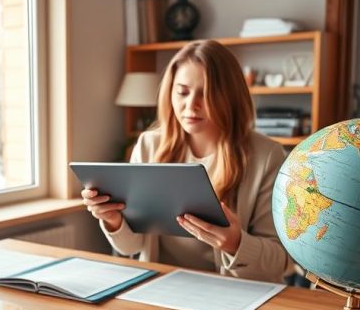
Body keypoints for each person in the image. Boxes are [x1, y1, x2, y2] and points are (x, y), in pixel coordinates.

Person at [83, 40, 289, 283]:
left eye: (206, 94)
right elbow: (132, 247)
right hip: (162, 287)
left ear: (230, 97)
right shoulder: (149, 146)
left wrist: (235, 243)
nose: (191, 106)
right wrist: (113, 219)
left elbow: (280, 263)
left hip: (234, 295)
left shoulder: (267, 157)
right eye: (182, 92)